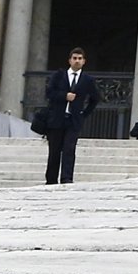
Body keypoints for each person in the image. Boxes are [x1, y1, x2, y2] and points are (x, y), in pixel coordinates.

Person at [41, 47, 98, 185]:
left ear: (84, 61)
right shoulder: (59, 76)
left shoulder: (87, 80)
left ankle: (67, 178)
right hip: (56, 118)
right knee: (54, 150)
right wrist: (64, 96)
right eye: (74, 58)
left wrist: (84, 114)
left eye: (80, 58)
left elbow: (95, 98)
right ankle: (51, 179)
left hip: (73, 120)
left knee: (69, 149)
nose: (77, 61)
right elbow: (49, 93)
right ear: (69, 60)